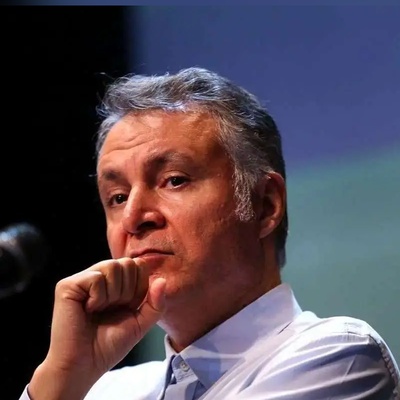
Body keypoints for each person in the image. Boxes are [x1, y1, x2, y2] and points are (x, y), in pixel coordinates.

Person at [20, 67, 399, 400]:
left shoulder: (336, 357)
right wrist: (63, 376)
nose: (133, 217)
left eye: (174, 180)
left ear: (265, 205)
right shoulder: (104, 391)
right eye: (117, 197)